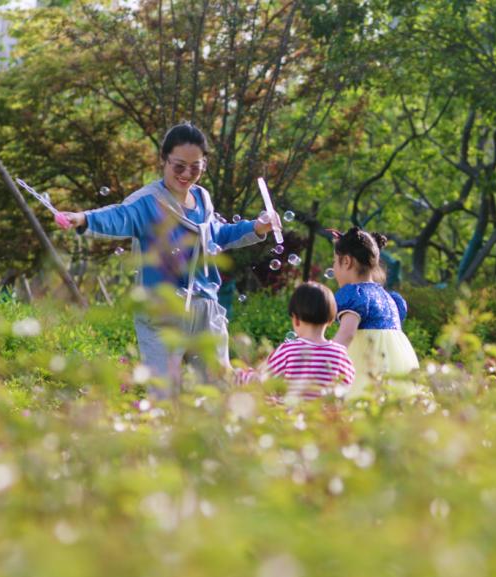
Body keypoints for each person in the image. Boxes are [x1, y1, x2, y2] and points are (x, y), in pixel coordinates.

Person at [56, 122, 278, 394]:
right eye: (179, 166)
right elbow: (117, 216)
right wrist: (82, 219)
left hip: (205, 307)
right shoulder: (149, 201)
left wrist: (257, 227)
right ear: (163, 160)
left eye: (195, 167)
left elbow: (216, 234)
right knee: (164, 393)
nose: (187, 174)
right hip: (162, 310)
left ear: (204, 165)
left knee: (217, 391)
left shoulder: (202, 198)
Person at [331, 227, 419, 397]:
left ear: (347, 261)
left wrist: (325, 359)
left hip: (366, 366)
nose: (334, 268)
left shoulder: (354, 294)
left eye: (335, 262)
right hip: (397, 364)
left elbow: (347, 334)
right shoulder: (390, 298)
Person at [238, 282, 355, 401]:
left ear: (296, 320)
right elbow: (347, 386)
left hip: (291, 417)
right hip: (323, 418)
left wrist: (241, 375)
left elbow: (263, 380)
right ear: (330, 321)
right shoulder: (340, 354)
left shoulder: (288, 350)